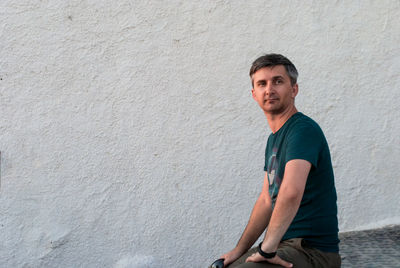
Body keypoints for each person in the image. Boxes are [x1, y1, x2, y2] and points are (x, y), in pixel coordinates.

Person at [215, 54, 340, 268]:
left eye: (278, 81)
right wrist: (239, 251)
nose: (269, 89)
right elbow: (266, 200)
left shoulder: (302, 130)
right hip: (284, 245)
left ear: (294, 89)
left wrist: (267, 249)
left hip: (311, 251)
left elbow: (290, 192)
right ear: (254, 94)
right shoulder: (274, 139)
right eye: (262, 84)